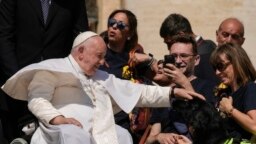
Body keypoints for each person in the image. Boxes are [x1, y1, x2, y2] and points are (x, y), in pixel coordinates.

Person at [2, 31, 204, 144]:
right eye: (99, 56)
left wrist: (173, 92)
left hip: (97, 134)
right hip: (59, 133)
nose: (102, 62)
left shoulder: (102, 77)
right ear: (81, 52)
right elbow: (37, 99)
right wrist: (58, 119)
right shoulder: (52, 69)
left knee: (123, 136)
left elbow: (139, 91)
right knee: (73, 134)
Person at [145, 35, 216, 144]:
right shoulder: (165, 92)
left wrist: (184, 83)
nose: (178, 61)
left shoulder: (208, 87)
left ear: (196, 60)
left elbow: (208, 125)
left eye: (184, 56)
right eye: (174, 56)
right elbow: (149, 139)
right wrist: (159, 137)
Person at [0, 0, 89, 86]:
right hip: (16, 80)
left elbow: (81, 38)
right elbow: (4, 36)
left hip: (59, 82)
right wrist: (16, 76)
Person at [99, 9, 153, 143]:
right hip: (98, 120)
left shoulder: (133, 59)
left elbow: (162, 78)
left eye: (121, 25)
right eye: (112, 22)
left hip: (123, 127)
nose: (114, 26)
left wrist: (149, 59)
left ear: (129, 34)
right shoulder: (96, 53)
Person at [210, 43, 256, 140]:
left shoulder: (250, 89)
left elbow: (254, 126)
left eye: (221, 66)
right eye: (215, 68)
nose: (217, 72)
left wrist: (230, 110)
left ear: (236, 62)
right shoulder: (224, 93)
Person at [160, 13, 217, 84]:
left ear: (181, 35)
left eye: (169, 43)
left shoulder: (202, 55)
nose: (169, 48)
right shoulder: (209, 44)